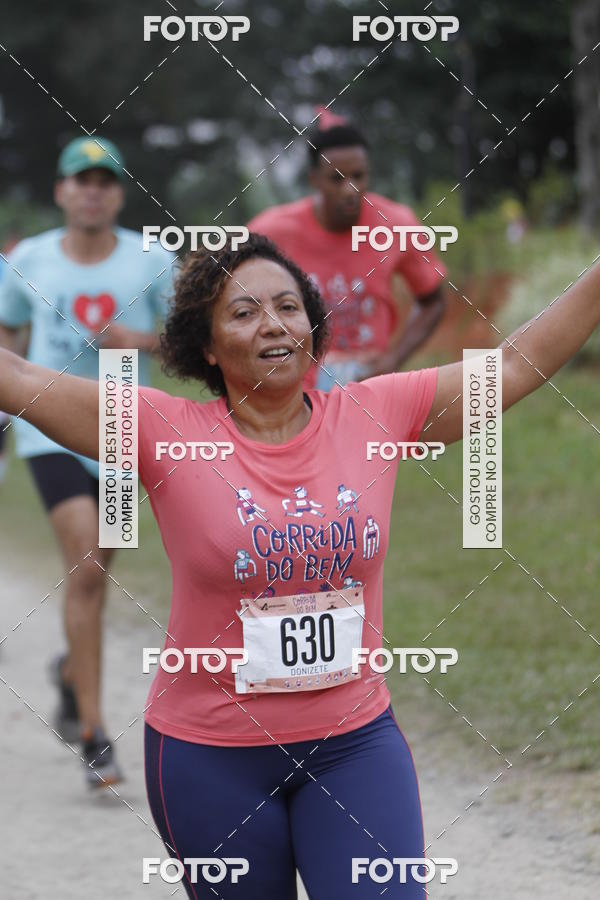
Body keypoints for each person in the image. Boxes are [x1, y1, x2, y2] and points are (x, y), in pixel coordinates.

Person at [1, 232, 598, 896]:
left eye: (288, 306)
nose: (273, 324)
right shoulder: (163, 431)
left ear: (311, 325)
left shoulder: (378, 413)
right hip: (210, 760)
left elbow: (512, 367)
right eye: (244, 312)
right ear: (206, 346)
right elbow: (19, 378)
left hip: (354, 747)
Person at [0, 136, 174, 788]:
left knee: (100, 568)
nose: (93, 189)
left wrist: (142, 339)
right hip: (50, 431)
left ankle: (72, 674)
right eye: (81, 179)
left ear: (120, 193)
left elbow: (192, 336)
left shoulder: (153, 259)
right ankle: (98, 736)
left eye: (105, 179)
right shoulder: (27, 260)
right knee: (86, 570)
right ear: (61, 191)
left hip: (127, 433)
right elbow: (7, 332)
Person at [248, 112, 447, 390]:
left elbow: (433, 301)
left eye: (358, 176)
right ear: (313, 179)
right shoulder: (272, 231)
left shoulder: (398, 225)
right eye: (337, 179)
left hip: (371, 385)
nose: (350, 189)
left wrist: (392, 359)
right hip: (296, 393)